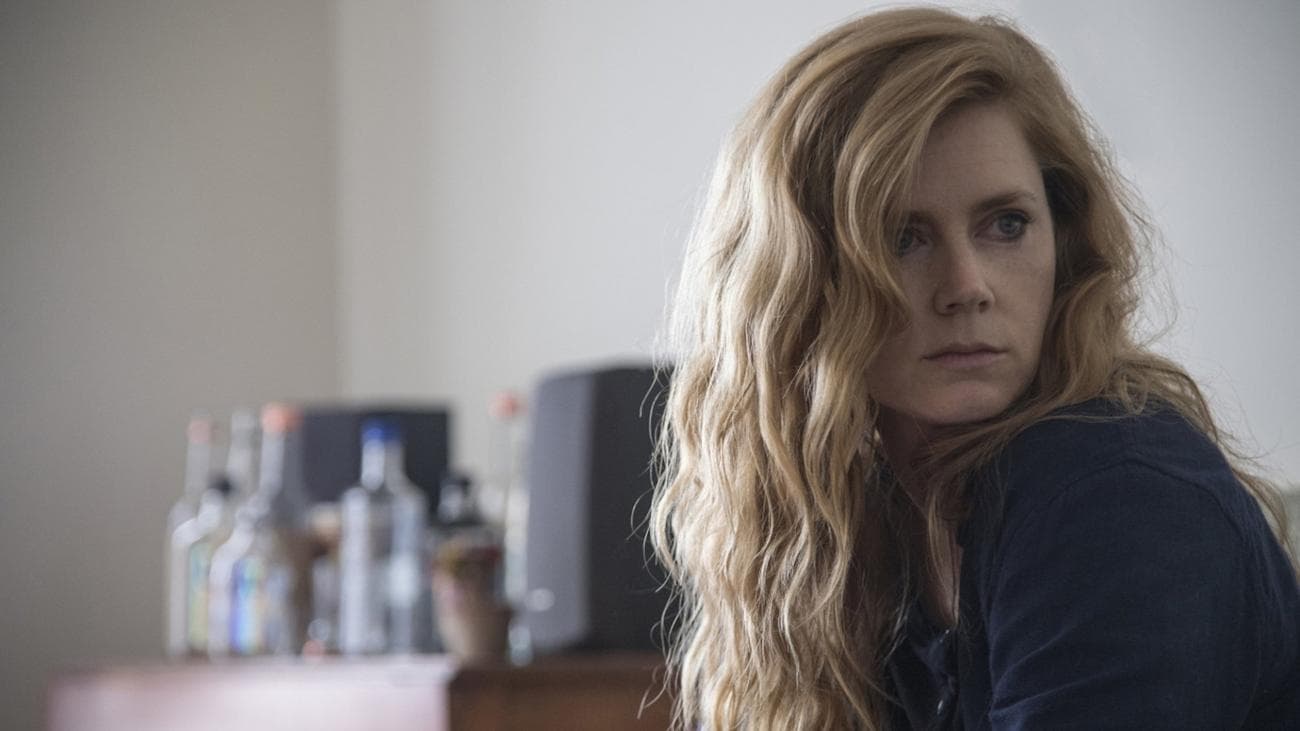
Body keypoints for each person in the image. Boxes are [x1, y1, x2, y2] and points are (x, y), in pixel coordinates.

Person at [649, 7, 1300, 729]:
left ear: (1067, 238)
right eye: (902, 236)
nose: (967, 284)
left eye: (1006, 223)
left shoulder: (1115, 491)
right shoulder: (861, 514)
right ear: (805, 285)